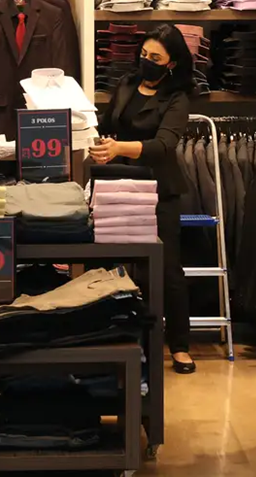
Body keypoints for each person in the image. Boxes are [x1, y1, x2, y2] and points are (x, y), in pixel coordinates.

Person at [91, 23, 195, 374]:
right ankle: (114, 336)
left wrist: (119, 147)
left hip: (158, 189)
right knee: (109, 261)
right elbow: (107, 124)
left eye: (156, 58)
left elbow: (164, 145)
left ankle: (179, 345)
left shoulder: (177, 98)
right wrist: (97, 142)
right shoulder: (126, 84)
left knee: (167, 267)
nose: (146, 61)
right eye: (144, 54)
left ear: (172, 64)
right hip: (118, 184)